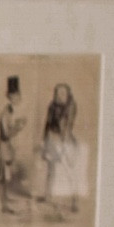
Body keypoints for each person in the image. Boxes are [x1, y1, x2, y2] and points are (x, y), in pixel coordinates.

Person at [40, 81, 82, 215]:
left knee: (70, 170)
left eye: (62, 93)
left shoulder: (71, 106)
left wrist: (63, 144)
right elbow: (47, 123)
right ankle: (47, 196)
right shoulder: (52, 106)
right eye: (57, 93)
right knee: (50, 170)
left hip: (65, 139)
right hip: (52, 138)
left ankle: (75, 201)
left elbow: (67, 125)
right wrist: (45, 140)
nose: (59, 95)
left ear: (68, 94)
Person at [0, 74, 28, 214]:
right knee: (2, 177)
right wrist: (19, 127)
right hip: (3, 148)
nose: (17, 98)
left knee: (6, 177)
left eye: (18, 96)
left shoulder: (12, 111)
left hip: (8, 148)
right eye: (14, 96)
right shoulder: (5, 113)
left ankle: (5, 199)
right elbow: (6, 135)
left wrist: (18, 125)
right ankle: (4, 206)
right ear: (9, 97)